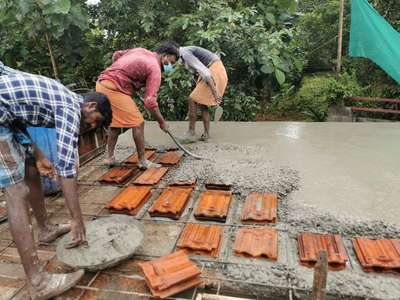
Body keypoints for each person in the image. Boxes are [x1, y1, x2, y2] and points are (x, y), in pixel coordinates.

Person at [0, 69, 112, 299]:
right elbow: (67, 171)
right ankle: (39, 283)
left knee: (31, 165)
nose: (91, 126)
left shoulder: (61, 97)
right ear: (90, 106)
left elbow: (18, 119)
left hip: (7, 115)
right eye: (95, 121)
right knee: (16, 191)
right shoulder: (72, 108)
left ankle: (45, 230)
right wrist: (77, 219)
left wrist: (39, 155)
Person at [96, 41, 179, 167]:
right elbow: (150, 102)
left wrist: (123, 75)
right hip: (114, 89)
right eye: (171, 63)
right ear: (164, 56)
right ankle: (142, 161)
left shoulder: (141, 50)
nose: (170, 66)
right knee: (138, 122)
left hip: (102, 83)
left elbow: (117, 55)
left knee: (116, 124)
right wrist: (161, 122)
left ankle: (110, 157)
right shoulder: (155, 68)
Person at [179, 46, 228, 142]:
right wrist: (190, 111)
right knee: (202, 102)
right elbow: (198, 72)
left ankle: (191, 132)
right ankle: (206, 134)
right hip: (217, 69)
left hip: (214, 70)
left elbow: (205, 73)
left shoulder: (185, 53)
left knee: (192, 99)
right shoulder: (184, 54)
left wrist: (215, 92)